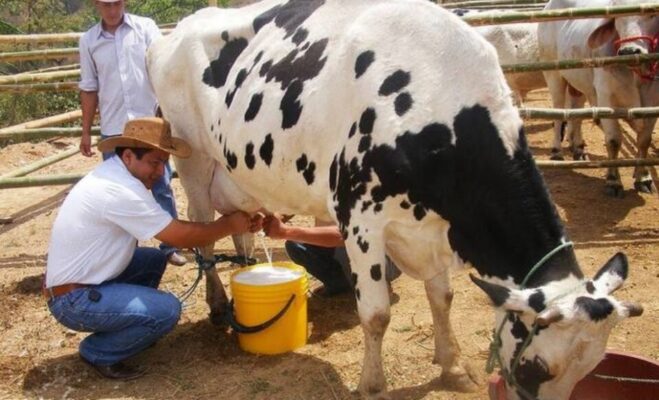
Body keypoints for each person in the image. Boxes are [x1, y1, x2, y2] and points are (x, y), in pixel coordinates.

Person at [45, 117, 263, 380]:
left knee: (152, 260)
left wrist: (226, 224)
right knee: (167, 311)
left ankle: (131, 325)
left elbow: (172, 228)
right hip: (73, 301)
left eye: (163, 163)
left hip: (82, 283)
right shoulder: (118, 190)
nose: (160, 172)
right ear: (128, 156)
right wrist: (229, 224)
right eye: (154, 162)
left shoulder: (114, 175)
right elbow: (178, 236)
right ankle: (99, 350)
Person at [78, 0, 187, 266]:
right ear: (97, 5)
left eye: (116, 4)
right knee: (117, 192)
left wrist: (168, 116)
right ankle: (125, 252)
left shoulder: (145, 29)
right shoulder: (89, 40)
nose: (112, 10)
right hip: (114, 127)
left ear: (123, 2)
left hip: (149, 123)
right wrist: (85, 131)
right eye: (106, 5)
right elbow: (89, 87)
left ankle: (170, 245)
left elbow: (163, 70)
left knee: (160, 183)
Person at [262, 216, 401, 297]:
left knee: (347, 247)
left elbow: (345, 235)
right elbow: (292, 204)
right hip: (336, 245)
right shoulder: (318, 177)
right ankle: (338, 283)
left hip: (383, 257)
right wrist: (267, 219)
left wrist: (286, 231)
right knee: (295, 245)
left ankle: (378, 285)